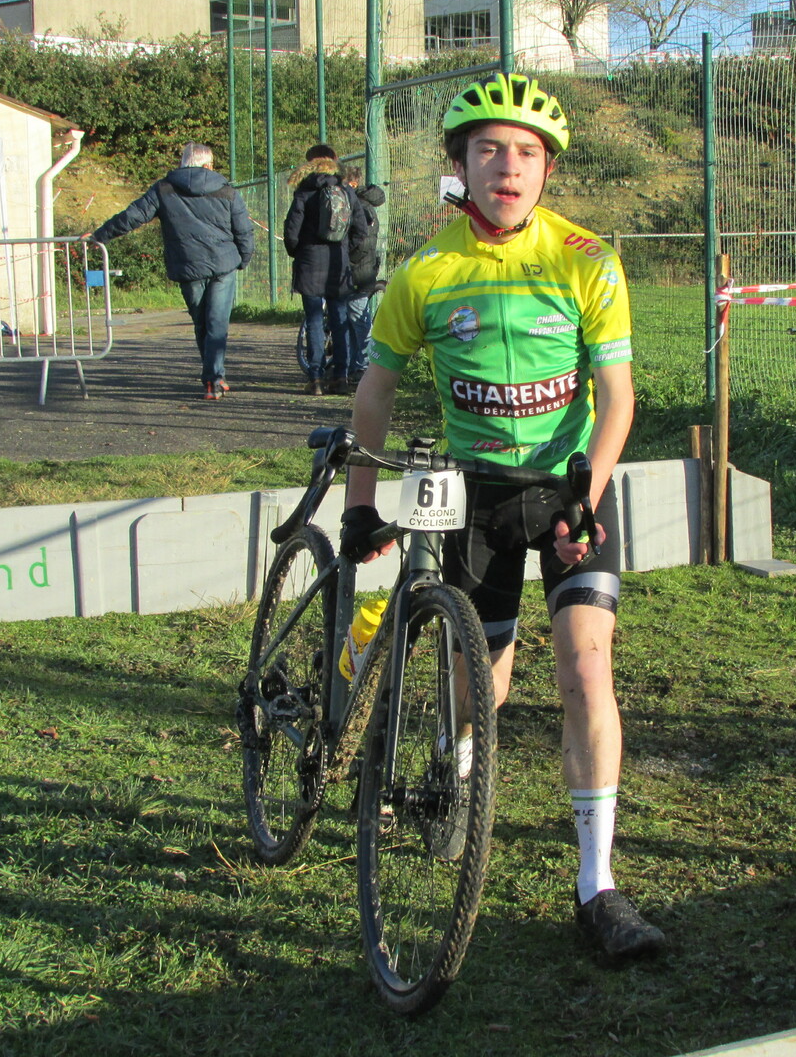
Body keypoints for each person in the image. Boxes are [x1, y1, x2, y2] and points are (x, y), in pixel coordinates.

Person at [338, 72, 664, 961]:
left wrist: (587, 496)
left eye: (526, 152)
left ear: (548, 169)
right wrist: (360, 508)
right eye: (488, 150)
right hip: (474, 496)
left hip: (570, 488)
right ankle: (458, 775)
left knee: (586, 670)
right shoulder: (428, 270)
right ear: (461, 164)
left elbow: (617, 397)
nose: (507, 167)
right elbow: (375, 392)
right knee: (481, 680)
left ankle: (597, 885)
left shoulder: (587, 259)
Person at [89, 142, 253, 400]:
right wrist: (243, 258)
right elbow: (243, 230)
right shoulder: (227, 190)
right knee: (217, 323)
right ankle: (214, 378)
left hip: (188, 264)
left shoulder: (163, 189)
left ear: (183, 162)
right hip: (223, 264)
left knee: (201, 322)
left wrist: (100, 235)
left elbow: (133, 216)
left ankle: (212, 378)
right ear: (208, 164)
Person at [283, 143, 364, 395]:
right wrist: (345, 250)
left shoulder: (304, 191)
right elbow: (360, 229)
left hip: (310, 262)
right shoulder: (345, 190)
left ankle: (316, 378)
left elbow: (291, 231)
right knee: (340, 320)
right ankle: (341, 377)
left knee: (314, 320)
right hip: (338, 263)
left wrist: (299, 251)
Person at [341, 165, 386, 385]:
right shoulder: (362, 204)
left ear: (351, 183)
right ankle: (356, 364)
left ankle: (365, 365)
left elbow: (363, 241)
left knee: (358, 319)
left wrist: (347, 260)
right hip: (363, 269)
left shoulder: (359, 206)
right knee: (354, 318)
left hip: (357, 271)